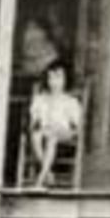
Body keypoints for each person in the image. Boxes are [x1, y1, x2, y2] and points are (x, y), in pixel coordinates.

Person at [27, 60, 83, 189]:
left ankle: (39, 181)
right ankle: (49, 174)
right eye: (51, 78)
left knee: (52, 137)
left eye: (58, 78)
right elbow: (35, 120)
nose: (54, 82)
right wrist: (37, 124)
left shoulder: (70, 101)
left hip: (63, 132)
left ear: (65, 80)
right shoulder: (40, 98)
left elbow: (76, 125)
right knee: (35, 135)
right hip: (45, 130)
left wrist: (67, 128)